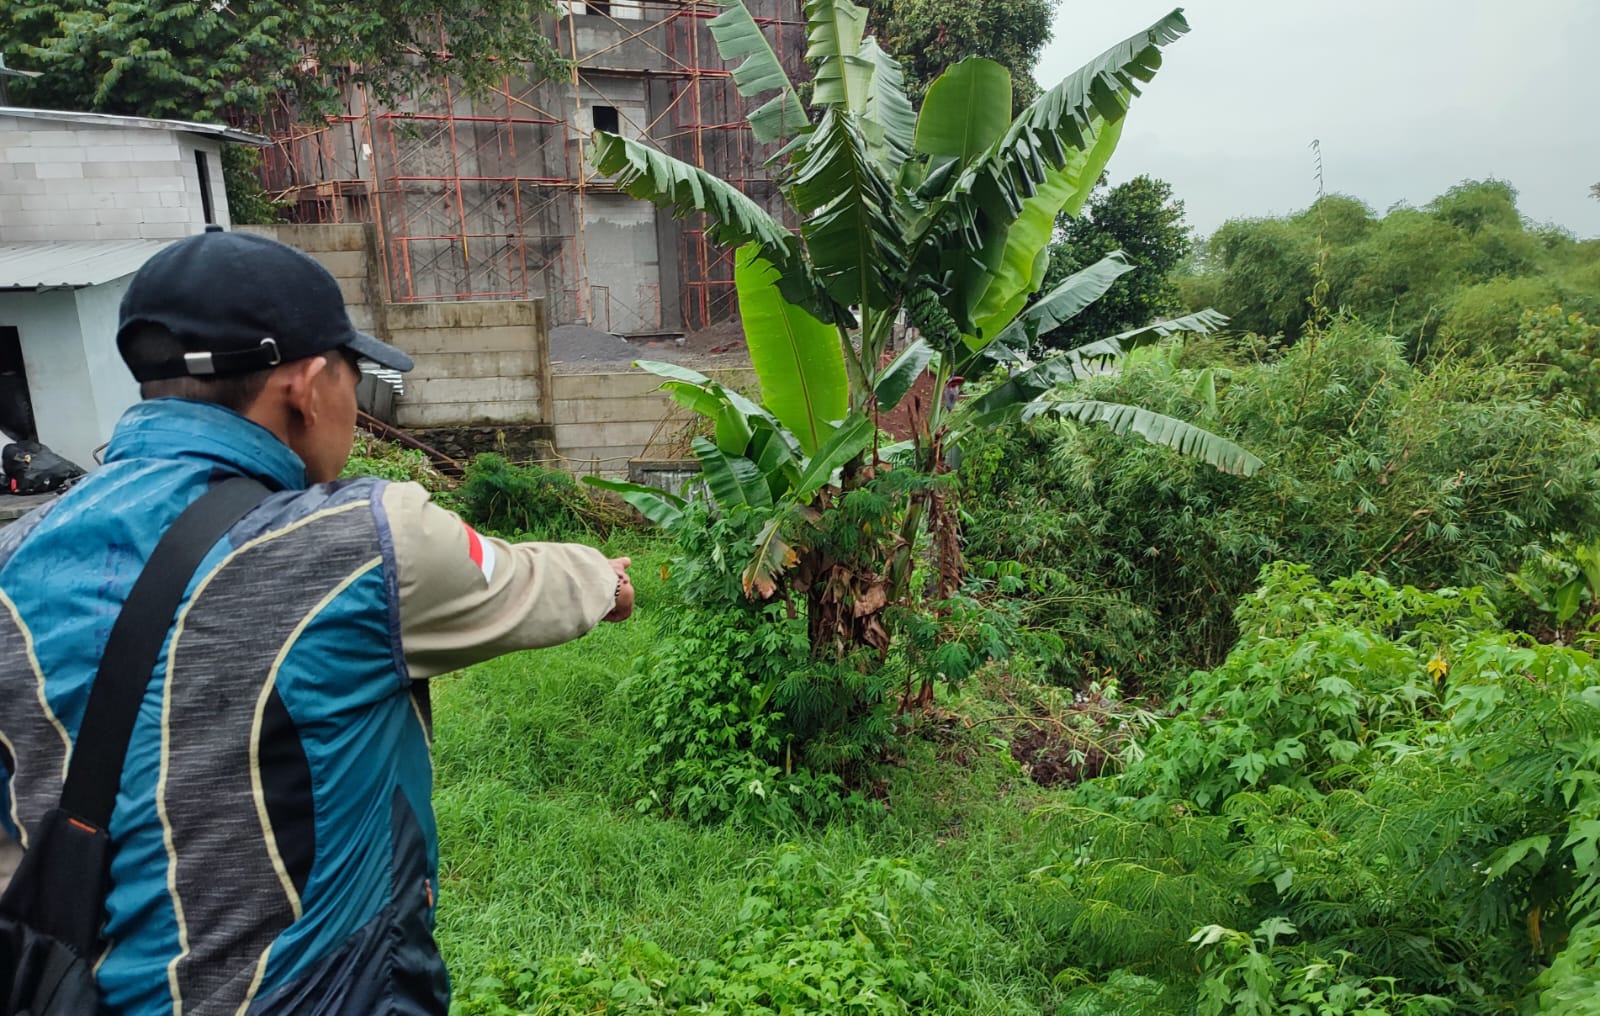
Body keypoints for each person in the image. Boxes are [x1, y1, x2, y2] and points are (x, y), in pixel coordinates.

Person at [0, 227, 634, 1014]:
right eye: (354, 376)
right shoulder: (360, 542)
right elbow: (520, 579)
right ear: (304, 387)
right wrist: (605, 581)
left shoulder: (16, 557)